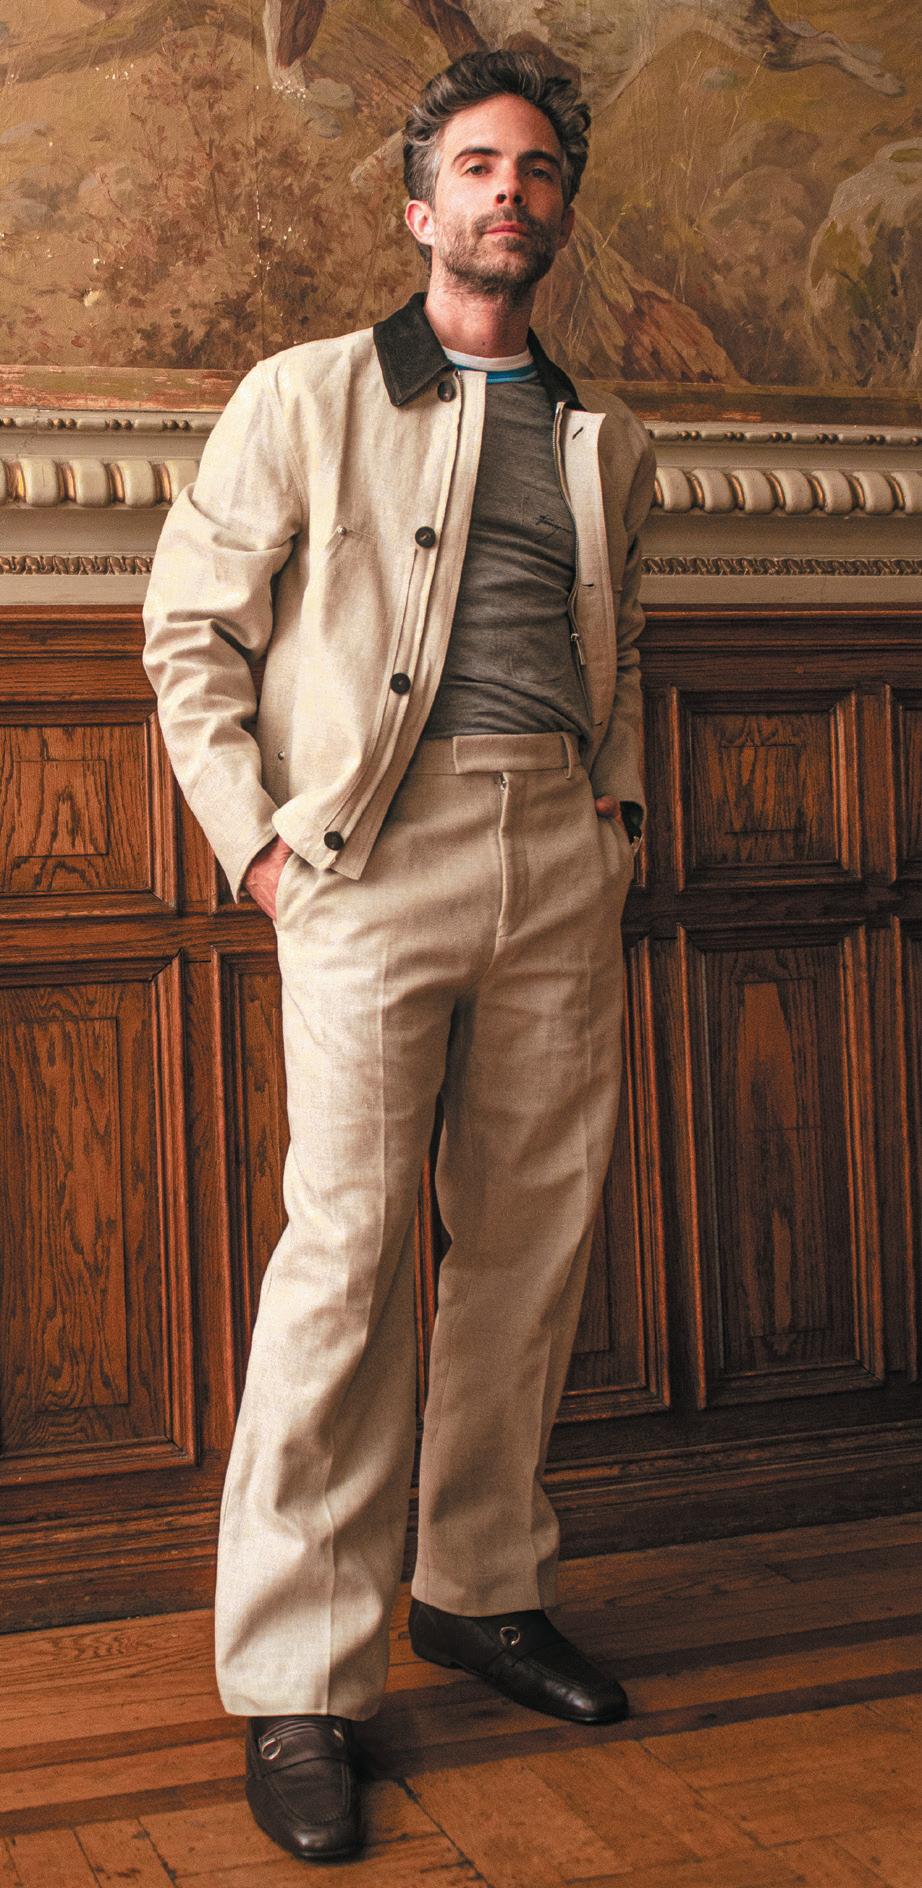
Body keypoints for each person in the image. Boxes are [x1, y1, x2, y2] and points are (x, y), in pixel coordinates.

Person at [142, 47, 656, 1865]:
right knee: (348, 1259)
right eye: (478, 167)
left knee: (530, 1240)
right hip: (368, 861)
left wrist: (613, 815)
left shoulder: (604, 438)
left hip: (557, 856)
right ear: (420, 206)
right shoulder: (302, 395)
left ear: (559, 210)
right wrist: (261, 847)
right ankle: (298, 1680)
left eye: (537, 170)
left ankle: (480, 1587)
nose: (509, 193)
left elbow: (620, 649)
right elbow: (189, 635)